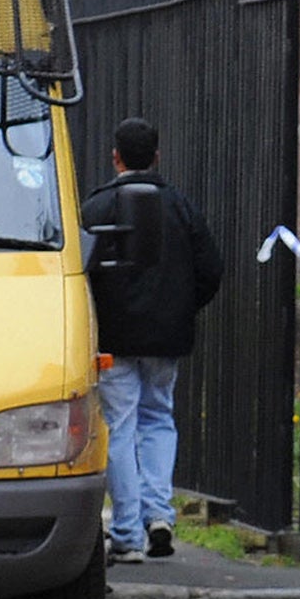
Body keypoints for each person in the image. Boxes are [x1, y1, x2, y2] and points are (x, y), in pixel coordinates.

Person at [81, 118, 224, 562]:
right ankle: (159, 515)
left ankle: (125, 534)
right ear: (157, 156)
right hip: (166, 337)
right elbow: (211, 270)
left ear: (115, 157)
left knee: (119, 429)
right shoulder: (180, 206)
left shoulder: (97, 208)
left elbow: (78, 274)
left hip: (114, 338)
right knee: (159, 419)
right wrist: (180, 308)